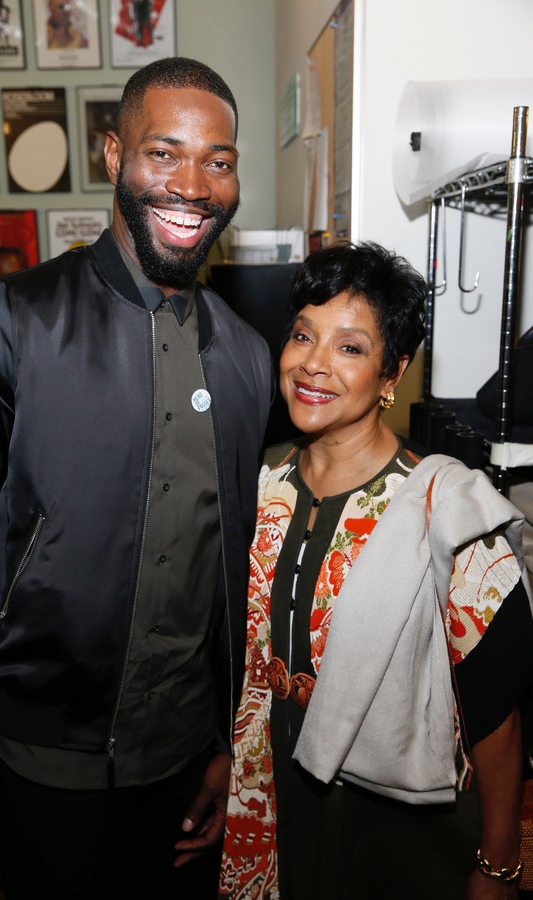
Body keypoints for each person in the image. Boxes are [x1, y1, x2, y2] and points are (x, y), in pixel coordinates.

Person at [0, 57, 272, 900]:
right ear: (114, 154)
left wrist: (232, 740)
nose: (193, 184)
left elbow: (231, 568)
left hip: (185, 756)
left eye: (218, 161)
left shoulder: (248, 359)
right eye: (165, 153)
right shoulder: (1, 326)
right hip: (37, 753)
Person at [220, 242, 533, 900]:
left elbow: (496, 711)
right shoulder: (256, 487)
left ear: (393, 372)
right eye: (303, 334)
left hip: (401, 836)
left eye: (350, 347)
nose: (313, 363)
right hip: (271, 810)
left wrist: (497, 864)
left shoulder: (445, 509)